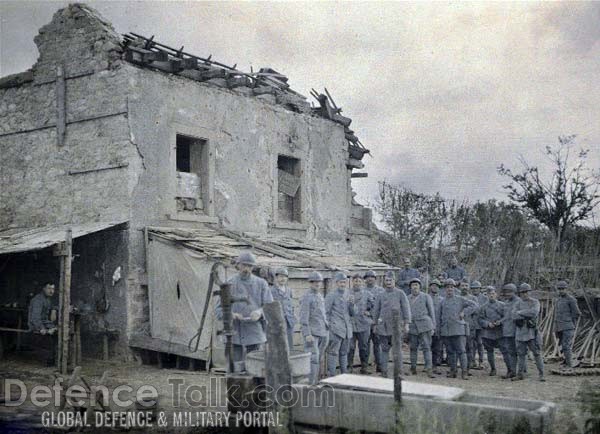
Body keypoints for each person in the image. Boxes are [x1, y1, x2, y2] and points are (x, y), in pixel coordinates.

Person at [214, 251, 273, 366]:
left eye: (249, 266)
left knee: (256, 367)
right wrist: (231, 314)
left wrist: (259, 312)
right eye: (244, 265)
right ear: (238, 265)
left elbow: (270, 307)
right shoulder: (229, 284)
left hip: (254, 333)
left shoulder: (261, 284)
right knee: (234, 368)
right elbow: (218, 310)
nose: (246, 269)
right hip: (234, 333)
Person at [372, 271, 411, 378]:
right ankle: (384, 372)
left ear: (394, 281)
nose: (388, 282)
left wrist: (407, 323)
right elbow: (376, 310)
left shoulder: (400, 293)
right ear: (384, 282)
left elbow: (406, 309)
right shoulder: (380, 295)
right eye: (387, 280)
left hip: (396, 327)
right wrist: (375, 324)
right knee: (384, 350)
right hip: (383, 327)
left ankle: (399, 373)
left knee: (397, 351)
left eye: (391, 280)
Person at [439, 279, 477, 380]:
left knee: (461, 351)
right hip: (446, 330)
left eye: (451, 287)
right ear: (444, 289)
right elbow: (439, 317)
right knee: (450, 352)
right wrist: (439, 330)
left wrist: (464, 312)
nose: (449, 289)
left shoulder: (460, 299)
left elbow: (474, 305)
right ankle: (453, 371)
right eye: (447, 287)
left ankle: (464, 372)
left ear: (454, 288)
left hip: (458, 329)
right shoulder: (442, 301)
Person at [300, 271, 329, 384]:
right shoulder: (307, 297)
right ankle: (311, 384)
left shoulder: (319, 296)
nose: (317, 284)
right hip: (312, 334)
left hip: (323, 331)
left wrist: (327, 326)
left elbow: (322, 314)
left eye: (319, 282)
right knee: (313, 359)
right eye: (314, 282)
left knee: (318, 358)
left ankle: (315, 381)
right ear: (310, 283)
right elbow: (303, 317)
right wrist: (307, 334)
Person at [512, 283, 545, 382]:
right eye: (522, 292)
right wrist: (525, 313)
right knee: (521, 354)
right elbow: (513, 316)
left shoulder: (535, 302)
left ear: (530, 292)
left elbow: (534, 312)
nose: (524, 294)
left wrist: (520, 312)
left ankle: (542, 374)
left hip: (532, 332)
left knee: (537, 354)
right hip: (520, 332)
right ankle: (520, 374)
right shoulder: (517, 303)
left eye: (526, 292)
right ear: (520, 293)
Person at [325, 272, 355, 377]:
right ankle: (332, 376)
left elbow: (353, 313)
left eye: (344, 282)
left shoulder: (348, 295)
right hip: (336, 329)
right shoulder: (331, 295)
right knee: (333, 353)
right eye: (341, 282)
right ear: (336, 283)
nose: (343, 284)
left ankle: (344, 375)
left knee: (344, 353)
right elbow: (326, 313)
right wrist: (330, 327)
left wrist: (352, 304)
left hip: (347, 330)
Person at [408, 278, 436, 378]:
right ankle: (413, 368)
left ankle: (429, 369)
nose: (415, 287)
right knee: (413, 348)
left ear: (420, 286)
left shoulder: (426, 297)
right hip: (413, 326)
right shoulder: (408, 298)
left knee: (427, 347)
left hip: (425, 325)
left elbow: (431, 312)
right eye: (413, 285)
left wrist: (433, 326)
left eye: (416, 285)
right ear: (410, 287)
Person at [347, 274, 374, 374]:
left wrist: (369, 313)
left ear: (362, 282)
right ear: (352, 282)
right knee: (350, 347)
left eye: (359, 281)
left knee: (364, 346)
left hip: (364, 324)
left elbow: (374, 307)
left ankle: (364, 367)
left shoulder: (367, 294)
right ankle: (349, 367)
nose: (357, 283)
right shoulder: (347, 293)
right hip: (351, 324)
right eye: (355, 281)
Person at [554, 280, 581, 370]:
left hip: (568, 327)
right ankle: (566, 362)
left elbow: (576, 313)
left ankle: (570, 365)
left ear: (566, 289)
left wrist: (570, 323)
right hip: (560, 327)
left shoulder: (571, 299)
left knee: (566, 346)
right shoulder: (558, 299)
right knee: (562, 346)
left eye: (563, 289)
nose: (561, 291)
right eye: (559, 289)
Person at [478, 287, 504, 376]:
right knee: (489, 351)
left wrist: (500, 322)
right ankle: (493, 369)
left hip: (499, 332)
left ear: (496, 294)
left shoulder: (502, 305)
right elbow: (480, 319)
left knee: (505, 350)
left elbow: (506, 317)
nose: (491, 295)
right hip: (488, 333)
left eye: (493, 293)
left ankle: (510, 370)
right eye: (489, 294)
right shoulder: (483, 307)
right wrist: (487, 324)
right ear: (487, 295)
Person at [270, 267, 296, 350]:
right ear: (276, 277)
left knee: (289, 345)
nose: (283, 279)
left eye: (285, 276)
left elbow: (291, 305)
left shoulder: (289, 290)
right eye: (281, 276)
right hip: (277, 323)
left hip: (289, 322)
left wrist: (293, 316)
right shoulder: (271, 291)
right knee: (278, 346)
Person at [364, 270, 384, 372]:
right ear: (365, 279)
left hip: (377, 321)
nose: (370, 279)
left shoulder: (380, 291)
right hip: (366, 322)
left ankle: (379, 365)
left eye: (372, 277)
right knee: (365, 344)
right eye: (368, 277)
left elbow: (382, 306)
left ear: (375, 279)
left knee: (378, 344)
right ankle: (365, 366)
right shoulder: (362, 291)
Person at [498, 283, 519, 379]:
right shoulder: (506, 303)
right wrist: (499, 322)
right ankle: (511, 371)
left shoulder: (518, 302)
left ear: (514, 292)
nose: (507, 294)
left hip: (516, 331)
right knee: (510, 352)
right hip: (506, 330)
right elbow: (506, 317)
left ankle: (521, 371)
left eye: (510, 292)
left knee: (519, 352)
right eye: (506, 292)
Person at [460, 279, 476, 374]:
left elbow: (476, 309)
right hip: (458, 326)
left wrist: (465, 312)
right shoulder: (456, 297)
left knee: (469, 347)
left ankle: (468, 368)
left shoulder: (473, 298)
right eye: (463, 286)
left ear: (469, 287)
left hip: (470, 325)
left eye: (466, 285)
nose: (464, 287)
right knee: (459, 347)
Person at [469, 281, 488, 369]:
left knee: (480, 343)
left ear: (480, 289)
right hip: (472, 323)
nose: (475, 290)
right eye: (473, 288)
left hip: (481, 324)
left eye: (477, 288)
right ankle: (472, 360)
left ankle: (481, 361)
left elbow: (487, 310)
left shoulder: (484, 298)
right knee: (471, 343)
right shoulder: (470, 298)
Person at [428, 279, 444, 374]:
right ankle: (428, 365)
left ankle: (434, 366)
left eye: (437, 286)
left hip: (438, 326)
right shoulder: (426, 297)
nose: (435, 287)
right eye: (433, 285)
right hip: (427, 326)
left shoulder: (442, 300)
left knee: (437, 348)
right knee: (427, 347)